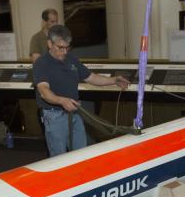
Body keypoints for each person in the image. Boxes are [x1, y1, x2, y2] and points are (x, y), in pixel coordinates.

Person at [33, 24, 129, 156]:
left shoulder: (71, 58)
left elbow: (91, 77)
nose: (65, 52)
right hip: (54, 117)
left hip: (75, 113)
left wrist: (114, 80)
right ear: (50, 44)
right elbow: (44, 91)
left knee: (81, 155)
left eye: (67, 47)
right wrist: (61, 101)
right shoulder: (41, 63)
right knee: (58, 159)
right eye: (60, 47)